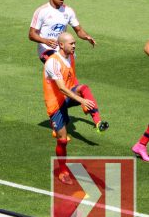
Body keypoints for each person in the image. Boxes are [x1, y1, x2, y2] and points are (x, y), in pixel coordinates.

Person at [43, 32, 108, 185]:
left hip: (68, 97)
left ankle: (98, 122)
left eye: (74, 43)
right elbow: (61, 88)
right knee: (63, 140)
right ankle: (62, 170)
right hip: (55, 104)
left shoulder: (71, 56)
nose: (74, 46)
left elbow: (72, 79)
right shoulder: (53, 63)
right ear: (61, 45)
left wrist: (80, 94)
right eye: (71, 43)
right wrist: (81, 100)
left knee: (84, 87)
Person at [29, 0, 95, 63]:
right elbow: (31, 34)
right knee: (58, 65)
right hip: (46, 50)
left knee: (67, 71)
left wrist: (87, 37)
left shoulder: (68, 11)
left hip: (63, 48)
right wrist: (45, 41)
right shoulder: (41, 11)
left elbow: (79, 30)